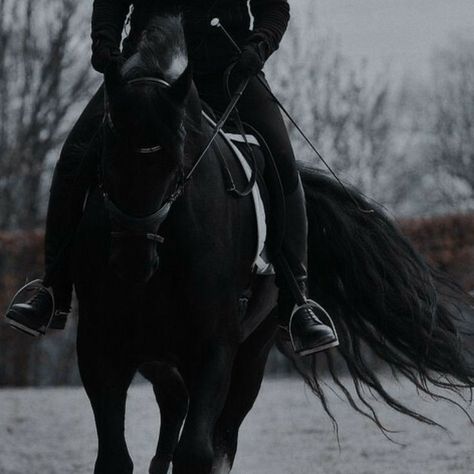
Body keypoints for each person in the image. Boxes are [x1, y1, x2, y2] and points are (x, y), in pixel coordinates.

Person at [5, 0, 338, 356]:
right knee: (74, 157)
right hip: (148, 68)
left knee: (283, 163)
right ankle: (52, 290)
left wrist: (258, 46)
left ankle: (296, 302)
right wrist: (105, 44)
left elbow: (273, 8)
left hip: (225, 69)